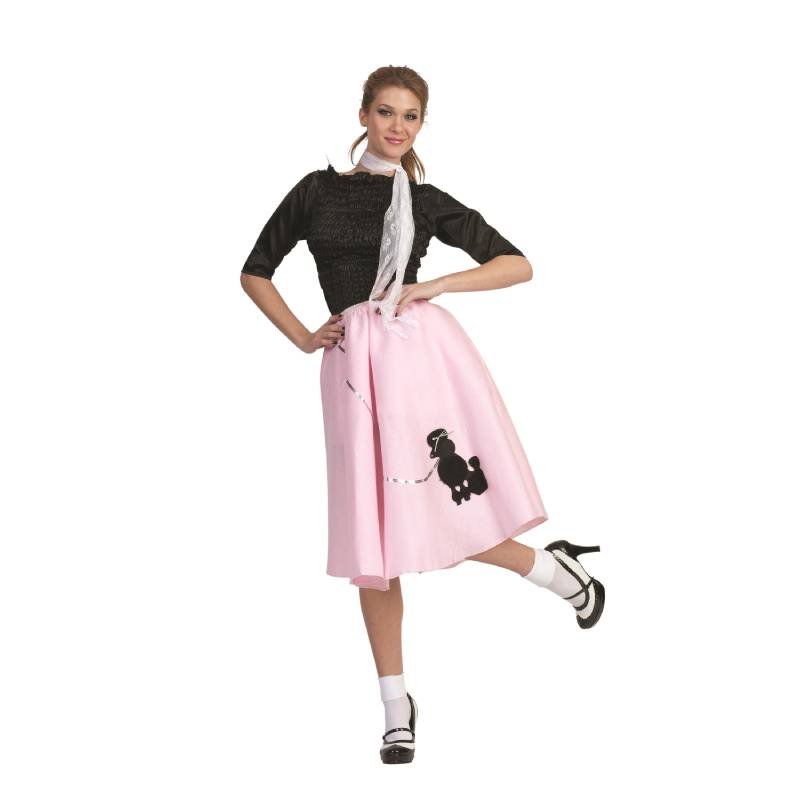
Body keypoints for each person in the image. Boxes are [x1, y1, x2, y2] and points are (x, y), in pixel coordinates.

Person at [239, 65, 605, 764]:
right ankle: (395, 704)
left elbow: (516, 264)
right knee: (372, 544)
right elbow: (255, 269)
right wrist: (303, 335)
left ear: (420, 125)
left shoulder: (425, 200)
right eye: (386, 112)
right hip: (352, 368)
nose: (397, 126)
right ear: (363, 115)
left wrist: (433, 285)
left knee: (437, 508)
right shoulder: (317, 190)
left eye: (410, 116)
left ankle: (555, 573)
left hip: (415, 365)